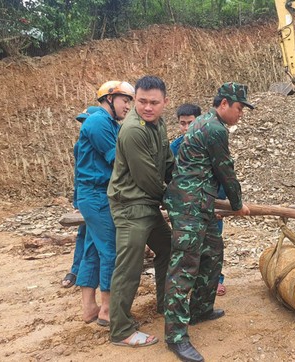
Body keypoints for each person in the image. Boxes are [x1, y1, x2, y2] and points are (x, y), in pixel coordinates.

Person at [163, 82, 252, 362]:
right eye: (239, 108)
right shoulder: (214, 128)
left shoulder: (204, 121)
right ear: (224, 104)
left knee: (213, 252)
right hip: (190, 206)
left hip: (202, 203)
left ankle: (200, 309)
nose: (241, 114)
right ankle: (175, 336)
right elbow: (225, 170)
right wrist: (238, 205)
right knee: (184, 267)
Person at [107, 75, 174, 347]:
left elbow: (167, 161)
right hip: (131, 205)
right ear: (135, 100)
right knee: (129, 267)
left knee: (167, 247)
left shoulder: (159, 124)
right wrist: (178, 201)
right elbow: (148, 179)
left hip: (147, 204)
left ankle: (165, 304)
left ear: (165, 103)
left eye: (154, 102)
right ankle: (120, 330)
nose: (148, 107)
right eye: (142, 101)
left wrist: (186, 185)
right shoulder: (134, 130)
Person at [75, 81, 134, 326]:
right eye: (125, 100)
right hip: (98, 194)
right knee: (110, 250)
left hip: (92, 194)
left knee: (92, 250)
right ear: (109, 98)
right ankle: (108, 311)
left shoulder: (106, 123)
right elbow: (118, 160)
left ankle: (89, 307)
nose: (128, 106)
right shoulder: (99, 122)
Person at [171, 103, 228, 297]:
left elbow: (222, 173)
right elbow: (171, 176)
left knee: (213, 245)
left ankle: (216, 280)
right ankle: (192, 284)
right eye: (182, 123)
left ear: (199, 120)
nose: (186, 128)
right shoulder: (175, 147)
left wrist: (222, 204)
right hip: (188, 206)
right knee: (190, 246)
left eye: (190, 122)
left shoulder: (211, 140)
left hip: (211, 203)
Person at [62, 106, 101, 288]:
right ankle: (75, 270)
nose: (84, 127)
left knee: (93, 235)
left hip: (98, 195)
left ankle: (83, 272)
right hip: (88, 195)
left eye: (87, 122)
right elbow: (79, 175)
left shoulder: (103, 140)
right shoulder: (80, 146)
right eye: (83, 123)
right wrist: (77, 200)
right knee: (83, 233)